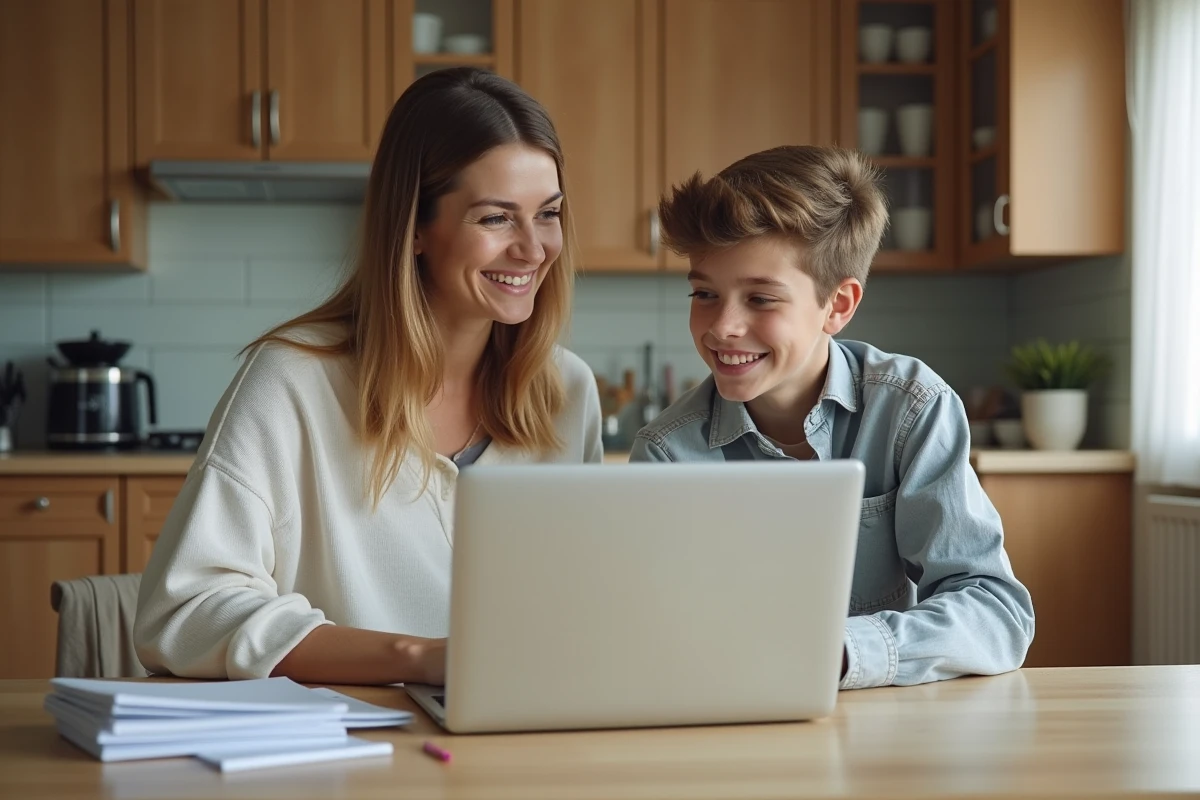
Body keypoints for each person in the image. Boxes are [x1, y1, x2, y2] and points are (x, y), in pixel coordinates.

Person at [135, 68, 602, 685]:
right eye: (495, 219)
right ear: (414, 228)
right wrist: (418, 658)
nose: (533, 248)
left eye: (548, 214)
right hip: (349, 754)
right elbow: (183, 612)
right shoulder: (293, 380)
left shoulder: (567, 392)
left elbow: (592, 605)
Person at [629, 145, 1033, 689]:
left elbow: (996, 613)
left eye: (761, 299)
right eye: (705, 292)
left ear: (838, 306)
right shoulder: (666, 452)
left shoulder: (910, 408)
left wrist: (837, 653)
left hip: (881, 728)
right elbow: (649, 635)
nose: (722, 326)